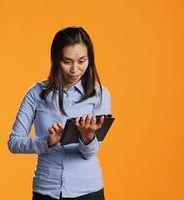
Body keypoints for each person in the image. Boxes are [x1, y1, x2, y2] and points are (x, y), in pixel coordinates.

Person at [7, 26, 111, 200]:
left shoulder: (100, 94)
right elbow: (14, 142)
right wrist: (47, 141)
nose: (75, 70)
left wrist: (87, 137)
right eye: (67, 61)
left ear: (90, 59)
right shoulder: (36, 93)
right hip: (46, 190)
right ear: (56, 60)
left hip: (88, 191)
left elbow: (89, 153)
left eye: (82, 61)